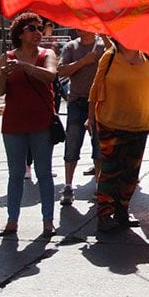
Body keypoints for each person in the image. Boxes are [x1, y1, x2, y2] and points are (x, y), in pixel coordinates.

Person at [0, 12, 58, 238]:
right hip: (14, 123)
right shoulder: (7, 57)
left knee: (44, 173)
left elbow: (50, 76)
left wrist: (24, 67)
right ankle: (12, 220)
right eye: (32, 29)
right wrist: (2, 74)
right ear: (20, 34)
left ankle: (48, 221)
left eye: (40, 28)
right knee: (16, 174)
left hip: (41, 123)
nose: (38, 33)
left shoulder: (47, 54)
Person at [88, 38, 149, 232]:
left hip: (140, 125)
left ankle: (122, 210)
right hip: (112, 123)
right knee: (111, 170)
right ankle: (104, 214)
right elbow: (95, 88)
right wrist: (90, 117)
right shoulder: (109, 57)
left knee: (131, 173)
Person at [57, 30, 106, 206]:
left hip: (100, 103)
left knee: (99, 145)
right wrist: (83, 62)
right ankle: (68, 185)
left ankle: (99, 185)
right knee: (72, 143)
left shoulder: (103, 46)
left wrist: (106, 36)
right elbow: (61, 70)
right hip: (77, 101)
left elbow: (115, 61)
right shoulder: (72, 46)